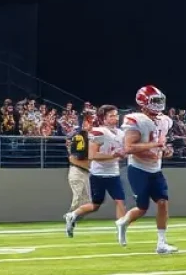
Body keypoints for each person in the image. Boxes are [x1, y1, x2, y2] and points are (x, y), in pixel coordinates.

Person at [115, 85, 177, 254]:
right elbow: (128, 147)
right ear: (143, 102)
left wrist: (166, 150)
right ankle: (123, 222)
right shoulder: (136, 120)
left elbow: (162, 144)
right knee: (142, 208)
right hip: (138, 169)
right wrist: (154, 145)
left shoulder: (164, 120)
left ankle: (161, 243)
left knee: (163, 203)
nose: (158, 105)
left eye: (159, 100)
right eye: (154, 101)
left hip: (156, 169)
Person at [64, 105, 126, 235]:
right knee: (84, 201)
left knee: (114, 201)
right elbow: (77, 158)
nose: (91, 121)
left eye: (92, 118)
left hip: (104, 172)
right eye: (88, 119)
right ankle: (72, 216)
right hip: (86, 171)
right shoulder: (85, 135)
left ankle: (122, 230)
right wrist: (112, 156)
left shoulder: (115, 133)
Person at [66, 114, 91, 212]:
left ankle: (73, 218)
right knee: (78, 198)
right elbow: (74, 157)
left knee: (86, 200)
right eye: (89, 121)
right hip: (77, 170)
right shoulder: (80, 137)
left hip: (85, 171)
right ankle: (70, 217)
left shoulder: (88, 136)